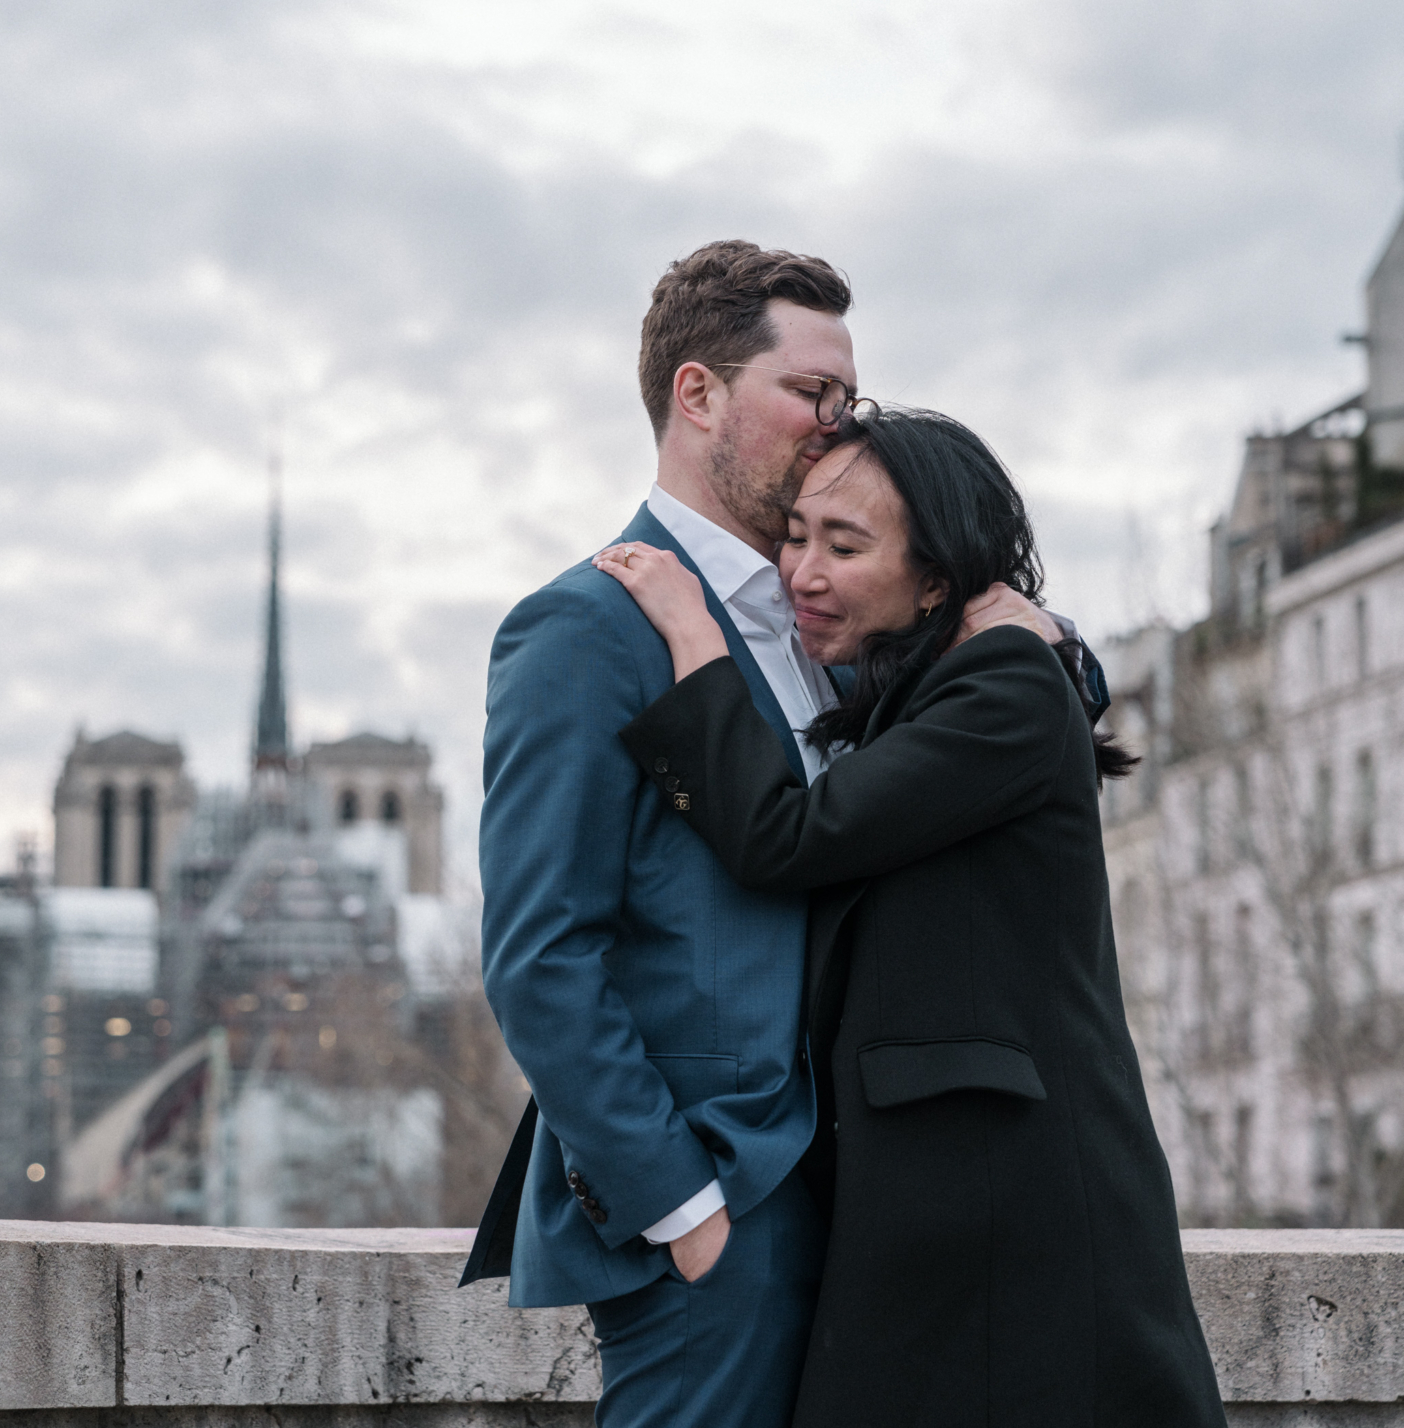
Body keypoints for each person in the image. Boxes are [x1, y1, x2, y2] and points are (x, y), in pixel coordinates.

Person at [459, 244, 1071, 1428]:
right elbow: (540, 955)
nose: (841, 423)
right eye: (813, 395)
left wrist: (1059, 649)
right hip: (718, 1205)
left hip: (871, 1202)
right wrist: (682, 1209)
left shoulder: (836, 607)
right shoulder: (584, 630)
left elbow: (982, 728)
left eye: (849, 397)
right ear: (699, 396)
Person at [595, 407, 1227, 1427]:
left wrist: (696, 640)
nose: (801, 570)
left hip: (1003, 1207)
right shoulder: (934, 685)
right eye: (794, 536)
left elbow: (783, 839)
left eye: (844, 546)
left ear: (935, 579)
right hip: (934, 1205)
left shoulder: (1004, 683)